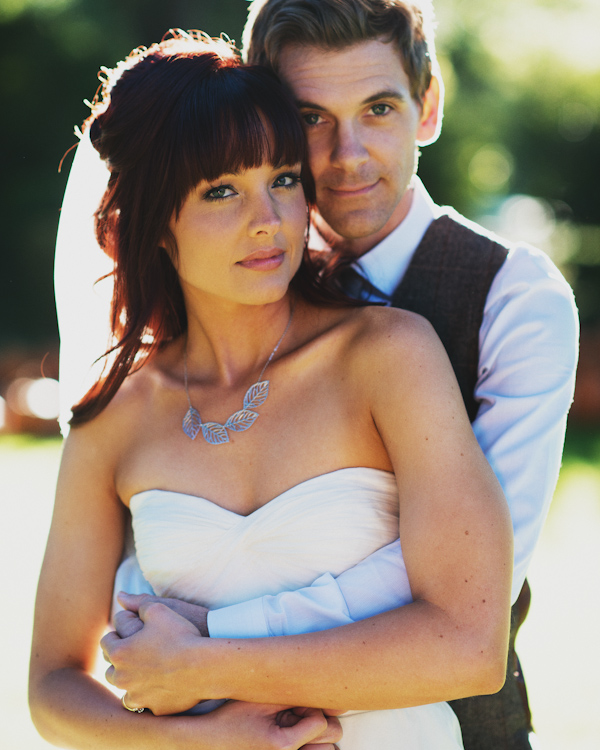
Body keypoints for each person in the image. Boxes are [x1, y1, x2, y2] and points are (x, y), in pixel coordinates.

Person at [94, 2, 579, 750]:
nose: (348, 154)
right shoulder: (230, 275)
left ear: (429, 105)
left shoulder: (516, 299)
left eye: (378, 109)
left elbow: (475, 582)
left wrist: (209, 643)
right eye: (311, 117)